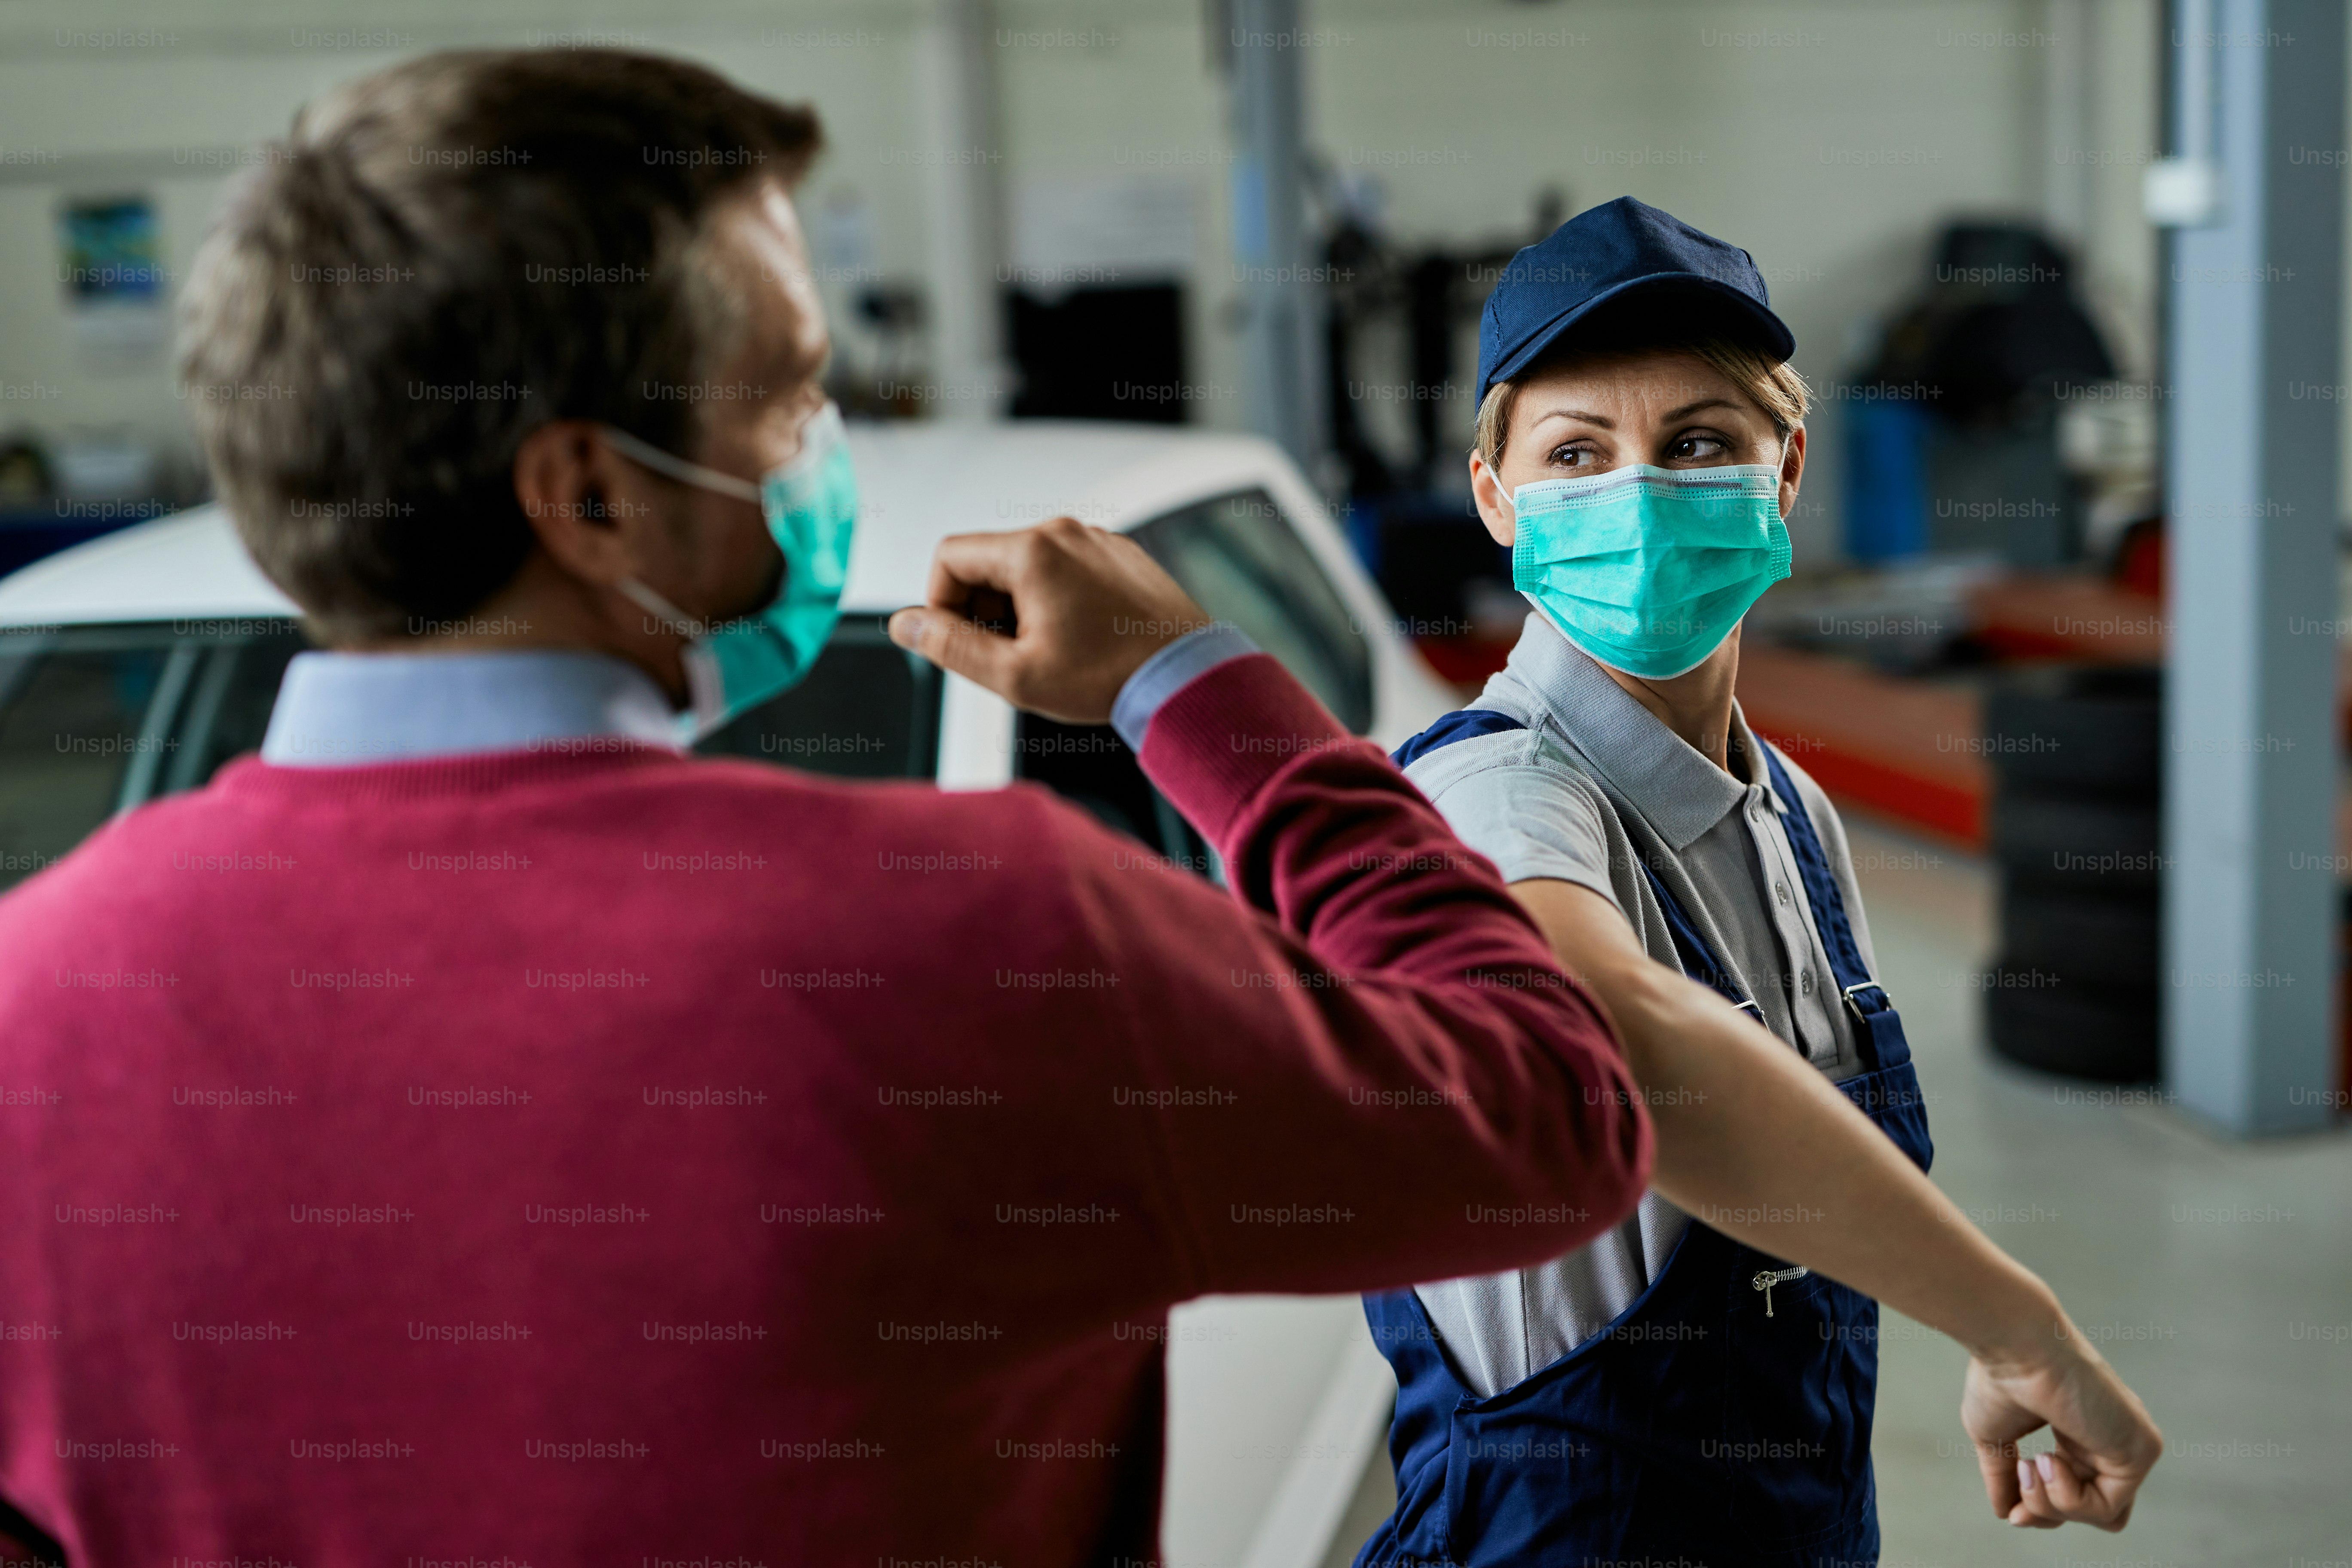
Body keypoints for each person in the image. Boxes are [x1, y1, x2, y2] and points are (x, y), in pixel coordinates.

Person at [0, 54, 2152, 1568]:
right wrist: (1189, 692)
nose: (828, 441)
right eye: (792, 391)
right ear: (582, 492)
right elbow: (1555, 1103)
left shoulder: (31, 999)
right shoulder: (973, 934)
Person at [1357, 196, 2135, 1566]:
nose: (1640, 495)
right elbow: (1628, 1046)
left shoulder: (1791, 812)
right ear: (1495, 499)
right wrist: (2010, 1322)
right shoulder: (1490, 799)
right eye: (1577, 452)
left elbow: (1798, 1139)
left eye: (1700, 443)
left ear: (1784, 479)